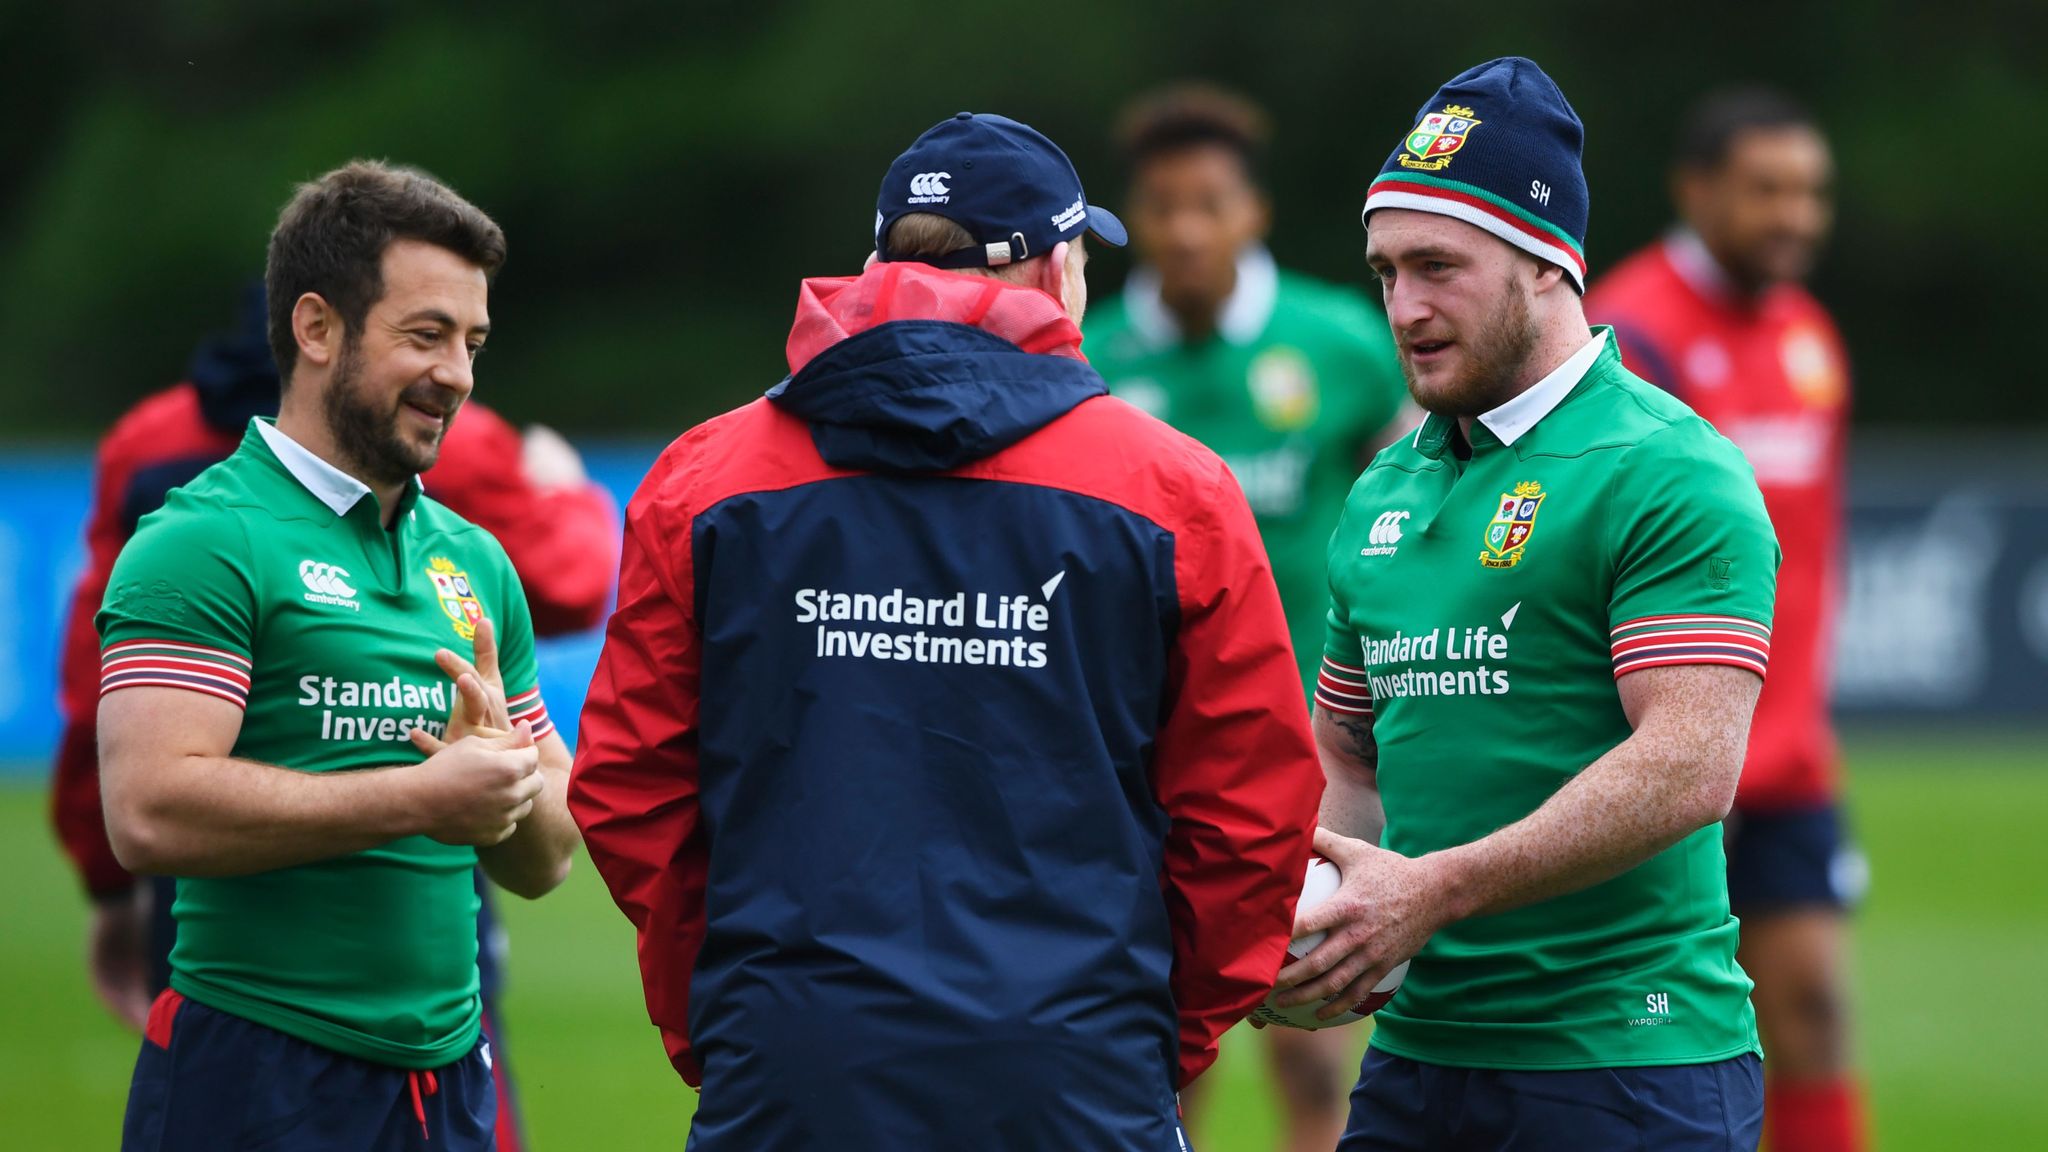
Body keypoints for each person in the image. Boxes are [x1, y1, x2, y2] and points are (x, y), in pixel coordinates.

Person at [569, 111, 1325, 1150]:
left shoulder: (705, 478)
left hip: (791, 1067)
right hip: (1075, 1071)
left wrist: (738, 1015)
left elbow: (626, 787)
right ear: (1058, 270)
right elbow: (1250, 813)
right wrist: (1149, 1031)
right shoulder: (1172, 490)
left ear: (876, 265)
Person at [1276, 59, 1781, 1149]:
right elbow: (1351, 762)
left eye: (1437, 268)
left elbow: (1690, 765)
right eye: (1383, 272)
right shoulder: (1381, 487)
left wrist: (1433, 893)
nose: (1402, 309)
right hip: (1416, 1063)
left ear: (1545, 261)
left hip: (1625, 1065)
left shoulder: (1665, 468)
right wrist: (1298, 918)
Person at [49, 281, 616, 1151]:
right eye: (427, 333)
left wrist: (103, 883)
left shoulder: (152, 438)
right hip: (257, 1019)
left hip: (436, 1043)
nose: (455, 373)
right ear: (317, 330)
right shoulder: (232, 516)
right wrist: (568, 493)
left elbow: (548, 852)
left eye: (473, 341)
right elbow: (576, 580)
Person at [1083, 84, 1410, 1152]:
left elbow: (1405, 498)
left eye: (1207, 203)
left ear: (1250, 214)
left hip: (1303, 741)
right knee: (1154, 1047)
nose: (1183, 228)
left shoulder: (1338, 342)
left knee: (1313, 1041)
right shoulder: (1086, 354)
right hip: (1138, 742)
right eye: (1162, 205)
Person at [1585, 87, 1864, 1152]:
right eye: (1765, 191)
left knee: (1814, 1013)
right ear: (1692, 191)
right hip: (1668, 748)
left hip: (1786, 756)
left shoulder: (1808, 338)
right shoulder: (1629, 334)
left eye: (1808, 192)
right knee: (1654, 1037)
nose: (1793, 215)